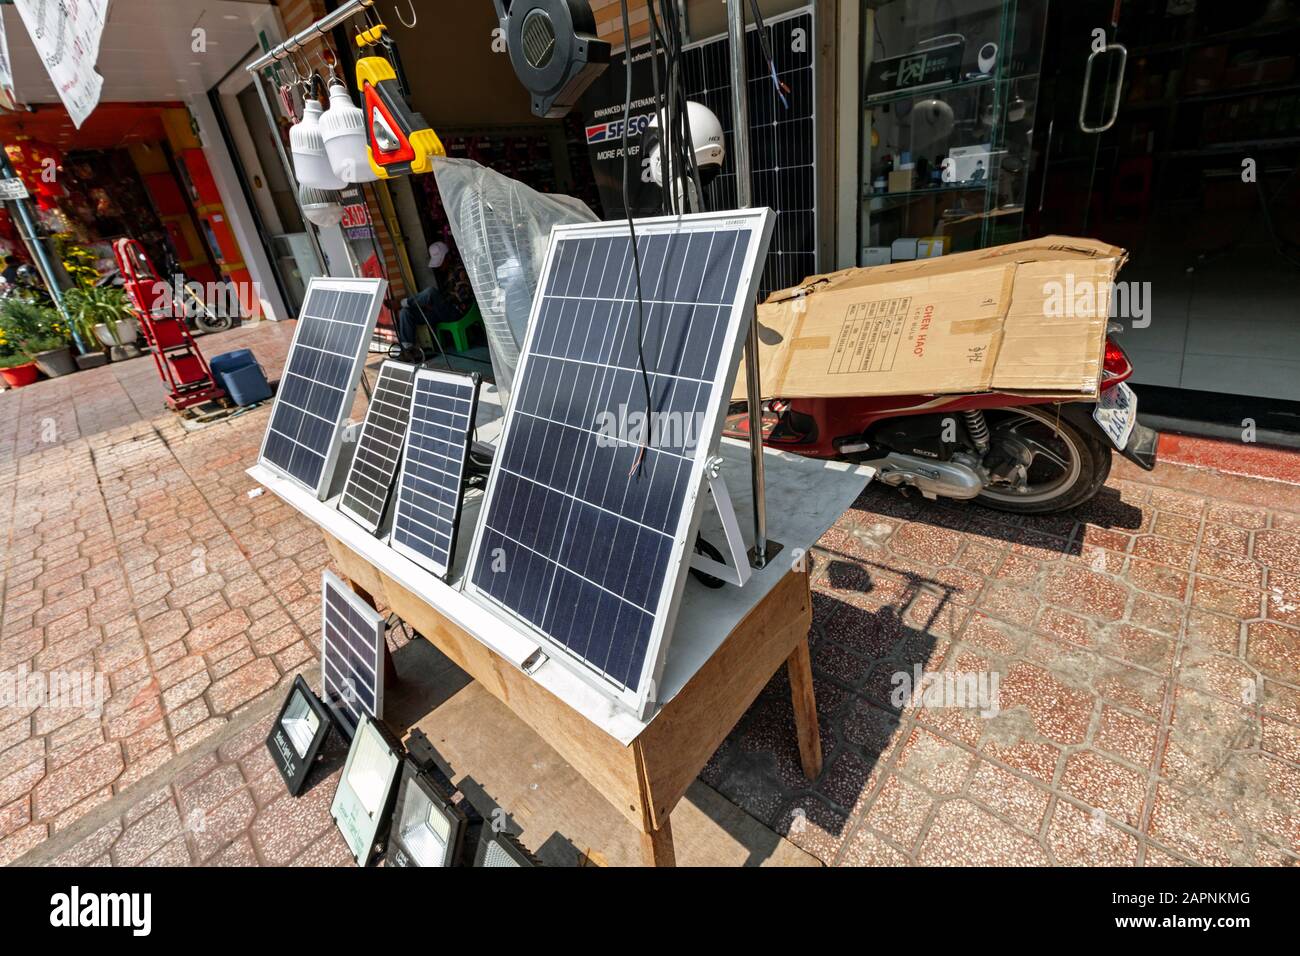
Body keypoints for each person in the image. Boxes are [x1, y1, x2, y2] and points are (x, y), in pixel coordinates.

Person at [397, 241, 464, 360]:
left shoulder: (460, 270)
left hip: (456, 311)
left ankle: (403, 302)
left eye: (441, 261)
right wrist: (433, 305)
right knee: (405, 312)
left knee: (431, 292)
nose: (439, 266)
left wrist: (438, 301)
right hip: (442, 311)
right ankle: (408, 349)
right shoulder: (445, 273)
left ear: (448, 257)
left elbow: (462, 298)